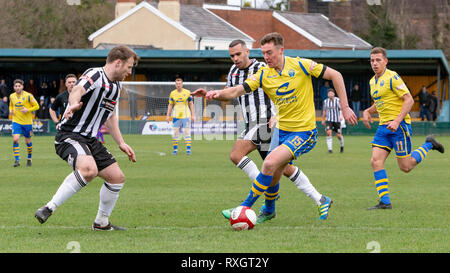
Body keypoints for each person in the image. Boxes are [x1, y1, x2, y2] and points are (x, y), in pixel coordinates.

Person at [193, 32, 357, 223]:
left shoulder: (301, 65)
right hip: (280, 131)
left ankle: (244, 207)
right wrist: (214, 93)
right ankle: (284, 207)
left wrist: (345, 107)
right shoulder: (263, 74)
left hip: (304, 131)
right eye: (264, 53)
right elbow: (237, 90)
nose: (266, 57)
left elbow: (335, 75)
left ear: (281, 50)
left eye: (270, 52)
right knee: (274, 172)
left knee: (269, 164)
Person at [220, 39, 333, 222]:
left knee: (254, 160)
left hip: (266, 122)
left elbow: (279, 90)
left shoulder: (263, 68)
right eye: (232, 55)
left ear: (247, 51)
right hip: (250, 123)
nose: (235, 58)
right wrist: (212, 94)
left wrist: (274, 115)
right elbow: (231, 91)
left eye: (238, 54)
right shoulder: (233, 72)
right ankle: (319, 199)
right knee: (279, 168)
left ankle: (250, 203)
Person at [34, 45, 139, 231]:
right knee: (89, 170)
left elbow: (110, 115)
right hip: (70, 135)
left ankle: (101, 223)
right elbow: (77, 90)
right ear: (118, 63)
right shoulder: (96, 74)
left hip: (90, 140)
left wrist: (121, 142)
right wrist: (74, 104)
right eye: (129, 67)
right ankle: (49, 208)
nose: (130, 72)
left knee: (116, 178)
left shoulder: (116, 86)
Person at [362, 47, 445, 210]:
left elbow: (409, 100)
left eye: (378, 60)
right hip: (383, 128)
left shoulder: (393, 77)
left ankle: (429, 144)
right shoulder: (373, 81)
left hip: (399, 127)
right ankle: (385, 202)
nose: (375, 63)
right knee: (375, 161)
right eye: (372, 60)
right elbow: (380, 104)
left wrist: (397, 120)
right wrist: (367, 111)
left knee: (405, 167)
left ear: (386, 61)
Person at [9, 79, 40, 167]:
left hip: (27, 123)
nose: (17, 87)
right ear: (14, 87)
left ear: (22, 86)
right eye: (16, 86)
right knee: (15, 139)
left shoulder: (28, 96)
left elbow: (37, 106)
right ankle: (17, 160)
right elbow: (11, 105)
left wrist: (28, 110)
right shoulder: (12, 96)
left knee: (28, 142)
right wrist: (11, 110)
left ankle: (29, 158)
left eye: (19, 86)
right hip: (16, 121)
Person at [165, 76, 195, 155]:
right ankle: (175, 150)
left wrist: (193, 115)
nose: (178, 85)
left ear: (182, 84)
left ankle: (188, 150)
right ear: (175, 85)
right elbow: (170, 105)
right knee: (175, 133)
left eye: (180, 83)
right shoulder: (172, 93)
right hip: (176, 116)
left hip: (186, 115)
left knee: (187, 132)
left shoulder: (187, 92)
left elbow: (191, 104)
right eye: (177, 84)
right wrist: (168, 115)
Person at [322, 88, 344, 153]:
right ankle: (330, 150)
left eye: (331, 93)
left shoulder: (337, 100)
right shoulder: (326, 101)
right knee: (329, 133)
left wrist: (341, 115)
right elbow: (324, 111)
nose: (330, 94)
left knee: (339, 135)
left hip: (337, 120)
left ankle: (342, 146)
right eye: (329, 93)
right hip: (329, 120)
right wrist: (323, 119)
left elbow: (341, 109)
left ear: (334, 94)